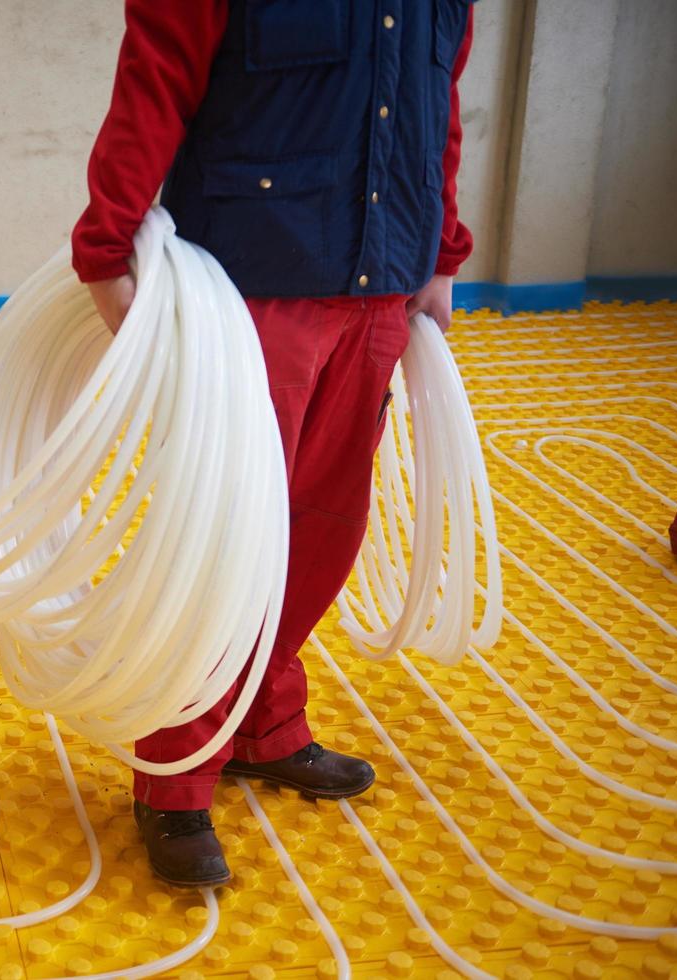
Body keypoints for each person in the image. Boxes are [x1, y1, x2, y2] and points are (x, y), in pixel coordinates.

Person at [71, 0, 475, 888]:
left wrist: (441, 252)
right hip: (251, 286)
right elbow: (154, 85)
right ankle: (174, 778)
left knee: (323, 528)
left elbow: (436, 108)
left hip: (379, 286)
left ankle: (260, 725)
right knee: (223, 541)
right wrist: (106, 248)